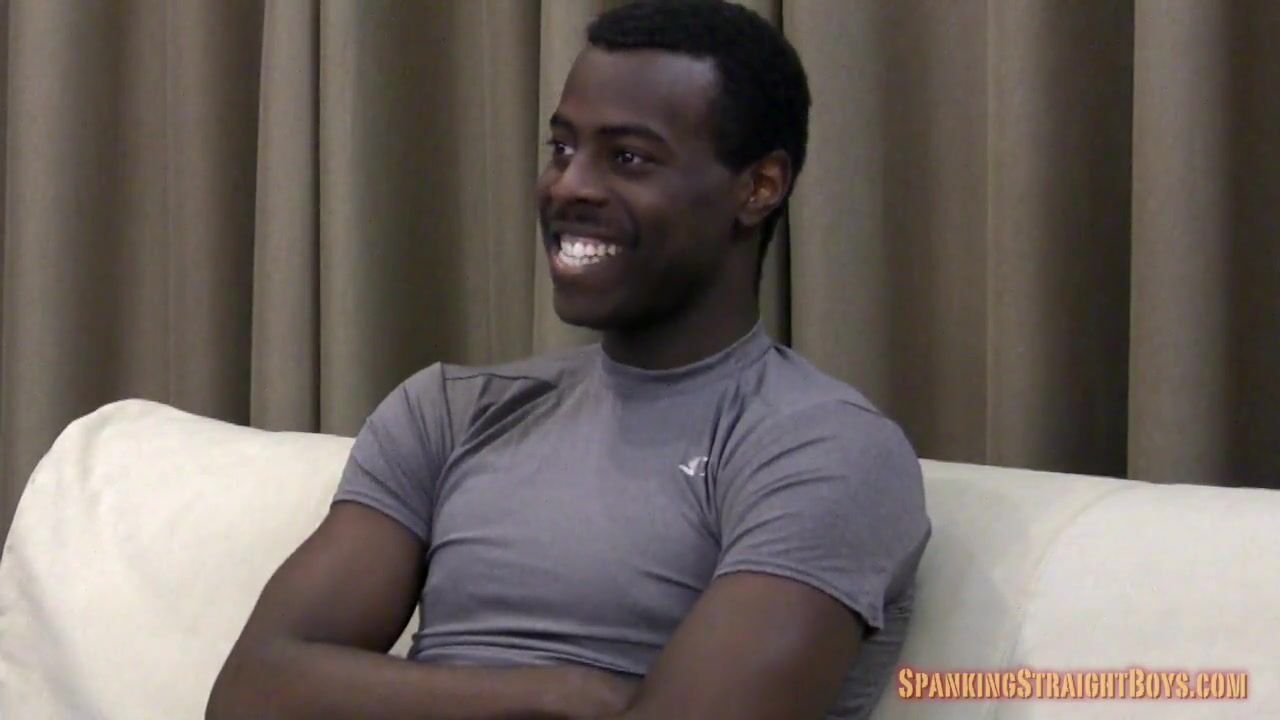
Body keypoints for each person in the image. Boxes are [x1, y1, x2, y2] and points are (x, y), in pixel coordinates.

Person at [207, 1, 931, 718]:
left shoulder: (820, 446)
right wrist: (559, 694)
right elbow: (249, 694)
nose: (568, 185)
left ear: (758, 187)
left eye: (628, 158)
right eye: (561, 148)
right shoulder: (451, 410)